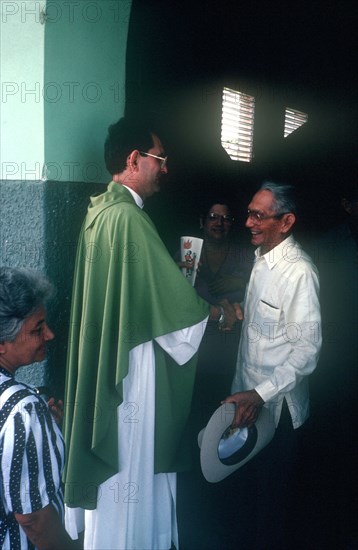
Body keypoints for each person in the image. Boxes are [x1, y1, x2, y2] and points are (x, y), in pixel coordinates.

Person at [62, 117, 239, 550]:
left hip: (111, 355)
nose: (165, 168)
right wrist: (220, 314)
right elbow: (177, 314)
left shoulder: (100, 211)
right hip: (132, 371)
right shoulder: (129, 219)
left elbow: (140, 292)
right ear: (133, 159)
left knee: (119, 486)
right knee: (132, 474)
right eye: (160, 159)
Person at [223, 182, 322, 549]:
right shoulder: (261, 256)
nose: (248, 222)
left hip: (276, 411)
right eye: (249, 212)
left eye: (258, 215)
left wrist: (258, 394)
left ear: (286, 222)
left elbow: (307, 350)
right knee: (246, 497)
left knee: (270, 507)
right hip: (247, 401)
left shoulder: (299, 272)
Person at [176, 200, 253, 549]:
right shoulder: (191, 253)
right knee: (195, 415)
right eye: (213, 217)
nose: (219, 222)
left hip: (231, 351)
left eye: (226, 217)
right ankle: (195, 478)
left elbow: (254, 295)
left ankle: (220, 473)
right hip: (196, 353)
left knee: (225, 411)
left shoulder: (243, 255)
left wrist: (237, 292)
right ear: (202, 221)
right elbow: (179, 298)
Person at [0, 266, 80, 550]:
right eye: (37, 329)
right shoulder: (23, 410)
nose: (50, 335)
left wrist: (46, 435)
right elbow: (34, 518)